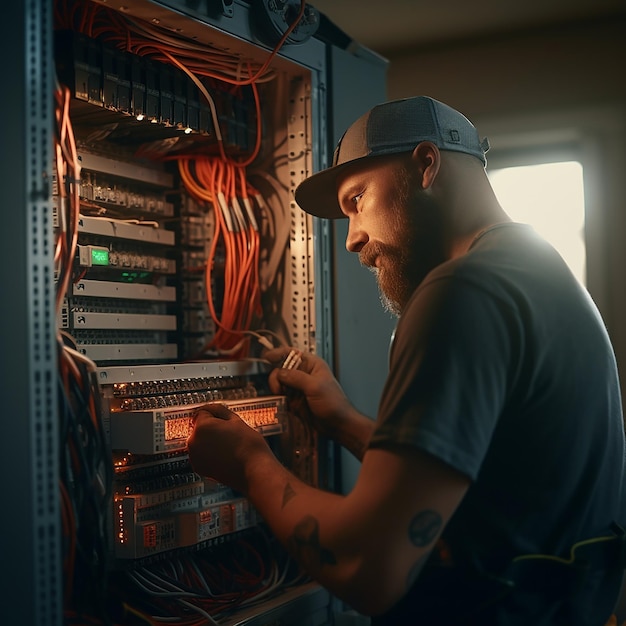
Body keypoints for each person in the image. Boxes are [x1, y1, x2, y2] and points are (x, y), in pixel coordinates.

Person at [187, 96, 626, 625]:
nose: (351, 239)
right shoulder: (537, 272)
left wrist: (249, 465)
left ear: (425, 164)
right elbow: (493, 489)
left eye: (357, 200)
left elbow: (367, 566)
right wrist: (344, 420)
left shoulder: (462, 291)